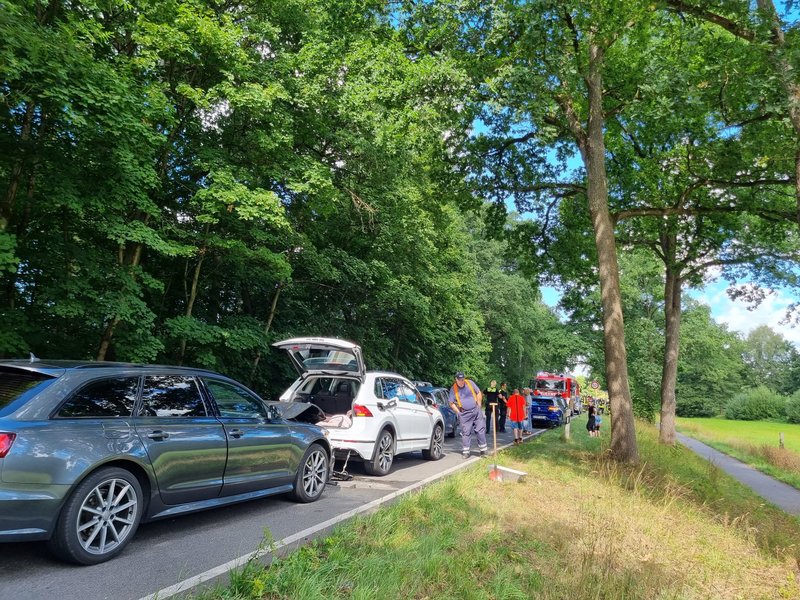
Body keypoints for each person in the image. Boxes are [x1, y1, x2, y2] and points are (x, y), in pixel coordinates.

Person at [448, 371, 488, 458]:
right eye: (459, 380)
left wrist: (479, 404)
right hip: (464, 413)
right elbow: (451, 403)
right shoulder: (453, 389)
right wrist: (458, 412)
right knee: (466, 432)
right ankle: (466, 452)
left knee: (480, 430)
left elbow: (478, 392)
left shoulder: (470, 383)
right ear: (456, 379)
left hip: (476, 410)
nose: (461, 381)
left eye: (462, 379)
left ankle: (483, 450)